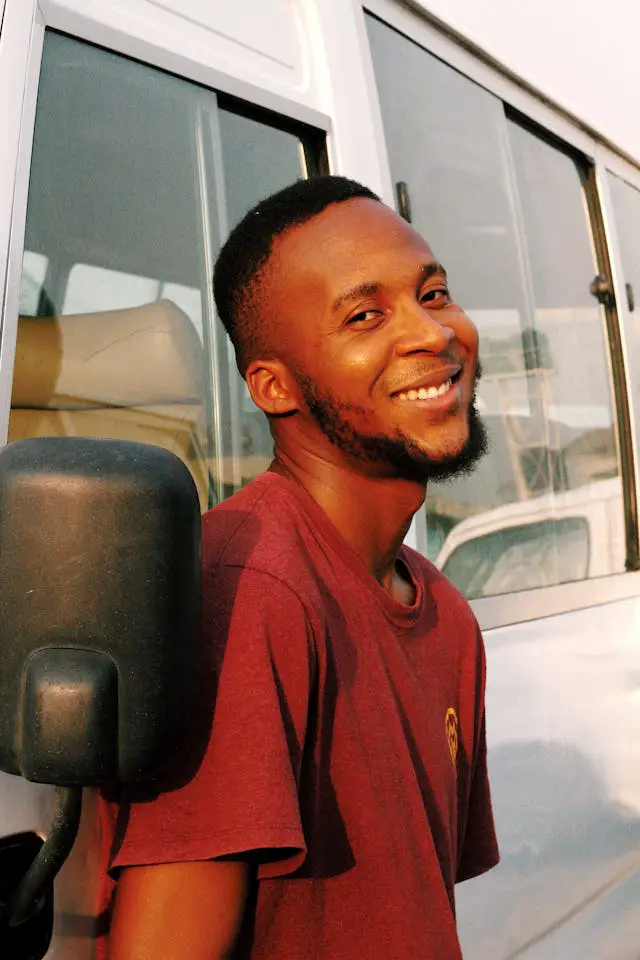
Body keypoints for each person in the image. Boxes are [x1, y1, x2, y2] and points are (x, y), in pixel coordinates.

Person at [100, 176, 499, 959]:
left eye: (435, 293)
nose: (433, 334)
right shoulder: (246, 587)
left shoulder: (445, 611)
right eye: (364, 315)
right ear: (273, 386)